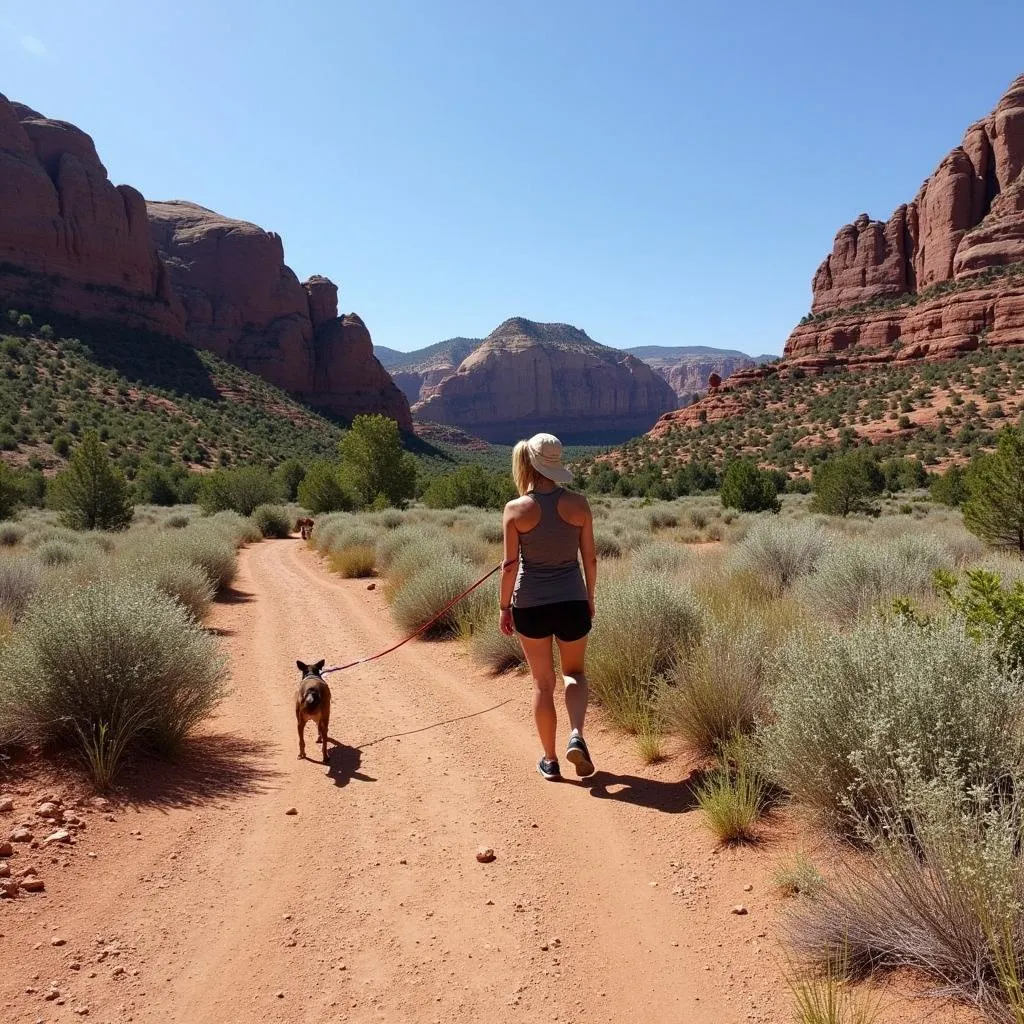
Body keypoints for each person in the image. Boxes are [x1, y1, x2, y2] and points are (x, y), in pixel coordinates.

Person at [499, 432, 598, 781]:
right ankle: (577, 734)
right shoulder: (579, 505)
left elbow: (510, 566)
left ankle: (551, 760)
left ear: (529, 463)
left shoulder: (516, 510)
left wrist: (503, 607)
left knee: (543, 684)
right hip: (572, 600)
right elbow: (590, 557)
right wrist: (589, 598)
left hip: (531, 605)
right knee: (575, 674)